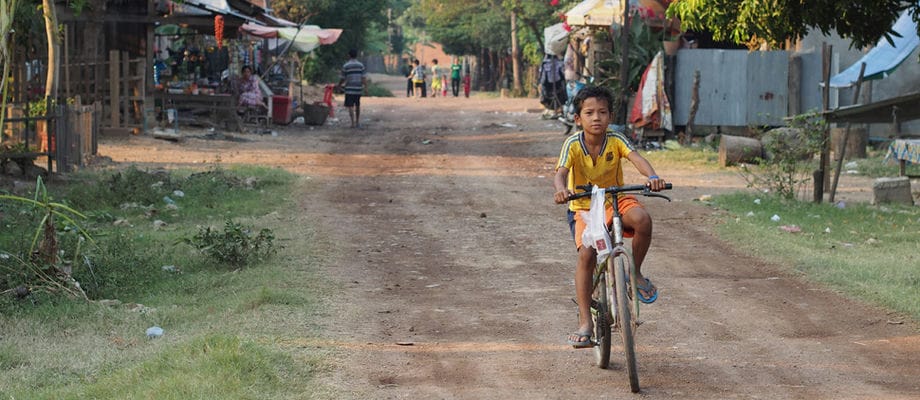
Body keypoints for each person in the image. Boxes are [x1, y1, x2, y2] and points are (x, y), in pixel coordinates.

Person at [552, 85, 667, 349]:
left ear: (610, 116)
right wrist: (561, 190)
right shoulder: (572, 144)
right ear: (578, 119)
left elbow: (635, 157)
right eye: (589, 113)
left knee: (643, 220)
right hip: (583, 206)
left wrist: (652, 178)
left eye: (602, 112)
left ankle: (635, 273)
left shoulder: (616, 139)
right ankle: (585, 322)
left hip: (615, 199)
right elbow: (560, 173)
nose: (596, 118)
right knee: (587, 255)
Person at [339, 49, 367, 129]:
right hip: (358, 88)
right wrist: (365, 88)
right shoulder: (361, 65)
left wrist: (339, 85)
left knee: (350, 105)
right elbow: (363, 78)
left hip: (349, 89)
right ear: (356, 55)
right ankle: (357, 122)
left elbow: (343, 78)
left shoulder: (346, 66)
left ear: (349, 55)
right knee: (357, 105)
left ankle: (352, 123)